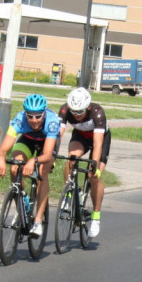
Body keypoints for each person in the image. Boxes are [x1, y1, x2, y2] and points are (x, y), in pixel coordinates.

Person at [0, 93, 60, 237]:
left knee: (42, 172)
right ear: (25, 114)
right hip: (28, 141)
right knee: (14, 165)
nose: (34, 120)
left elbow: (48, 154)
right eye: (30, 116)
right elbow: (4, 147)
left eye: (38, 116)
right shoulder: (19, 120)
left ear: (44, 114)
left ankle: (37, 221)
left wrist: (33, 161)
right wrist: (0, 158)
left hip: (46, 144)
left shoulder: (52, 122)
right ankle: (22, 199)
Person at [57, 87, 109, 238]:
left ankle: (96, 216)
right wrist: (52, 155)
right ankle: (70, 193)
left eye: (80, 112)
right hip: (80, 137)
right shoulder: (65, 109)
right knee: (71, 159)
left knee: (94, 176)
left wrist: (94, 164)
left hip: (100, 139)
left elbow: (98, 144)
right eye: (74, 111)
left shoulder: (97, 113)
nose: (76, 115)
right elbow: (58, 135)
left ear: (88, 107)